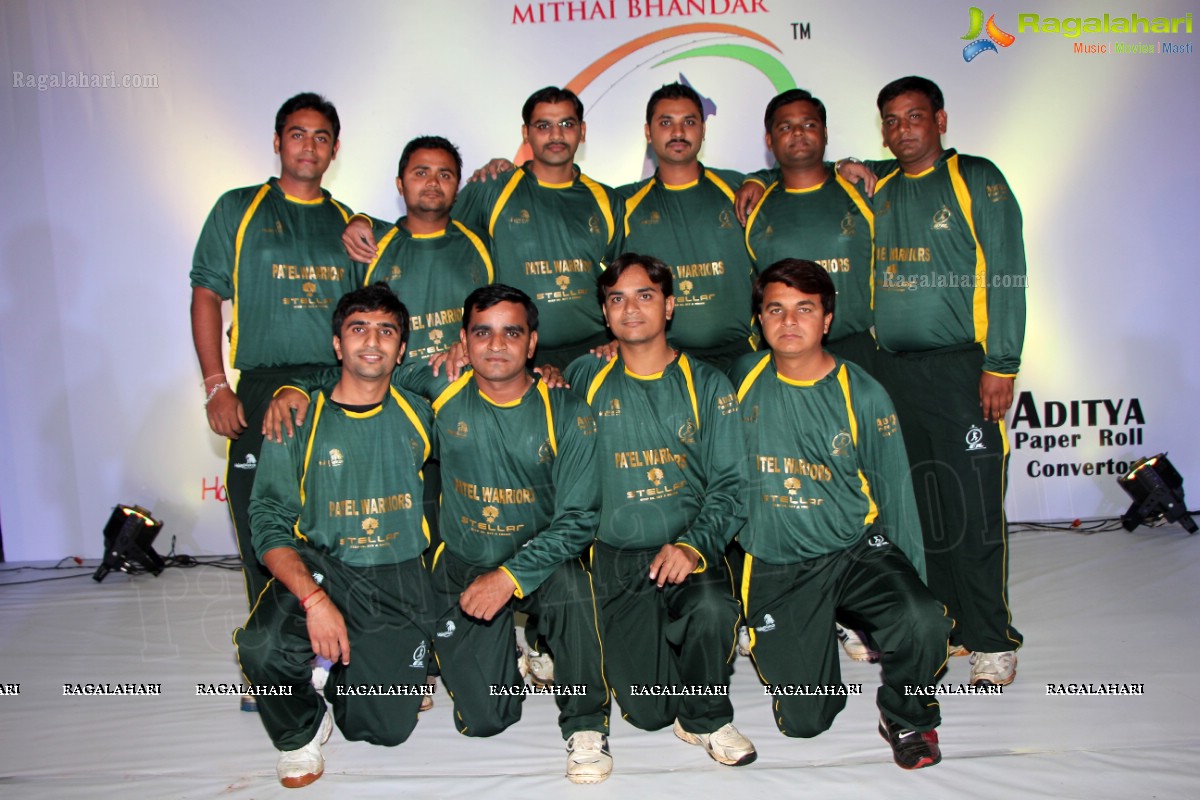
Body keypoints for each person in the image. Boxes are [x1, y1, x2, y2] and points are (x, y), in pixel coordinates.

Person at [730, 259, 951, 770]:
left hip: (854, 551)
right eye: (776, 310)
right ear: (759, 321)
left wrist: (911, 595)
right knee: (806, 721)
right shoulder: (742, 377)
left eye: (804, 309)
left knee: (921, 620)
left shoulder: (864, 395)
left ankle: (906, 715)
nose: (789, 322)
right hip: (778, 563)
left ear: (827, 319)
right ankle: (816, 636)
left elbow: (897, 497)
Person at [190, 93, 360, 708]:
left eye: (321, 137)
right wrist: (216, 383)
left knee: (335, 527)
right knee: (263, 526)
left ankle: (339, 651)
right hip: (260, 386)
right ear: (277, 141)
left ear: (335, 150)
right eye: (297, 134)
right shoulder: (238, 209)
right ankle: (270, 662)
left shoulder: (349, 223)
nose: (309, 145)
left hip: (331, 387)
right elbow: (207, 293)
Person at [234, 283, 435, 788]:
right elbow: (268, 523)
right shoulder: (296, 417)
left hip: (396, 573)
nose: (373, 341)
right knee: (261, 647)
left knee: (384, 729)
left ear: (402, 348)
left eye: (386, 331)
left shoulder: (423, 412)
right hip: (322, 563)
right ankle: (300, 728)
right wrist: (315, 599)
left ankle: (345, 669)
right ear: (337, 345)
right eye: (358, 329)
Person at [565, 254, 755, 767]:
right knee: (648, 712)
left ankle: (707, 717)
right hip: (616, 558)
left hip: (685, 549)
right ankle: (673, 667)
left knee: (712, 609)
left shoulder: (707, 384)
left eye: (644, 296)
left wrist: (695, 545)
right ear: (605, 313)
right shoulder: (584, 377)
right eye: (617, 299)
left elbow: (733, 483)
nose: (631, 309)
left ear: (669, 306)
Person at [867, 76, 1026, 686]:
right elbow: (806, 172)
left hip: (963, 368)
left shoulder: (976, 178)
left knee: (973, 507)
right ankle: (949, 623)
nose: (902, 129)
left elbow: (1009, 272)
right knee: (920, 507)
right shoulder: (877, 186)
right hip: (894, 370)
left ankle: (992, 638)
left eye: (914, 117)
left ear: (940, 119)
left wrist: (1001, 364)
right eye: (891, 119)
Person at [452, 87, 623, 368]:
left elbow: (630, 278)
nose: (556, 135)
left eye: (566, 124)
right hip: (511, 355)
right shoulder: (492, 189)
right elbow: (445, 248)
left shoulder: (608, 199)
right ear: (525, 133)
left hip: (595, 354)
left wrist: (625, 337)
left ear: (582, 131)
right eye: (544, 125)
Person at [617, 82, 755, 370]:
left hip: (744, 354)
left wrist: (840, 166)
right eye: (666, 122)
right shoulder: (622, 202)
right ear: (648, 131)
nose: (678, 132)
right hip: (663, 361)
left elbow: (797, 172)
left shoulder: (740, 188)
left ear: (703, 129)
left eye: (689, 122)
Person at [742, 89, 877, 371]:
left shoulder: (864, 186)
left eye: (808, 124)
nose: (798, 133)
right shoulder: (752, 204)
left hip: (857, 352)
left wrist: (841, 163)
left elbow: (913, 164)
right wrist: (757, 179)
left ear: (825, 133)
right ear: (769, 140)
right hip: (782, 357)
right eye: (785, 127)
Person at [339, 135, 494, 362]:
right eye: (421, 173)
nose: (433, 182)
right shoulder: (368, 246)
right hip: (393, 390)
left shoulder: (482, 243)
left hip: (464, 387)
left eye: (444, 175)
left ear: (457, 187)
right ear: (400, 184)